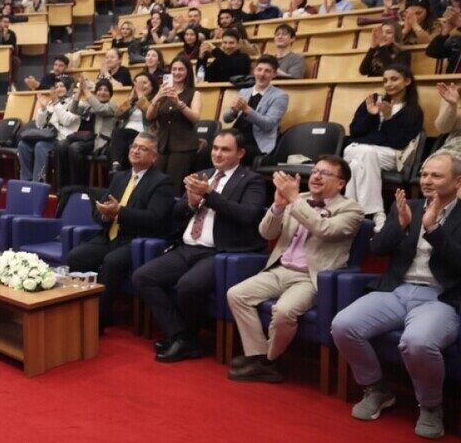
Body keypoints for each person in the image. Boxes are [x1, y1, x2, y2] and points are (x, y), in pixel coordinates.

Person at [332, 152, 461, 440]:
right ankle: (377, 389)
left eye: (436, 176)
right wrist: (400, 224)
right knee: (343, 325)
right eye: (425, 174)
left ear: (458, 181)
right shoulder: (409, 206)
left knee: (417, 342)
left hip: (440, 297)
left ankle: (430, 406)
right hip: (397, 289)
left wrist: (434, 229)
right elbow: (377, 249)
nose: (427, 181)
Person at [132, 130, 267, 362]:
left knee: (188, 286)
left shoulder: (251, 180)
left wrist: (210, 195)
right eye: (215, 148)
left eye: (225, 149)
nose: (217, 154)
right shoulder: (202, 174)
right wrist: (191, 204)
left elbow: (247, 215)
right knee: (143, 277)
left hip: (220, 252)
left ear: (241, 153)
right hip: (187, 247)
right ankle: (181, 335)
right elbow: (175, 213)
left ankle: (186, 338)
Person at [226, 157, 364, 382]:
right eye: (316, 171)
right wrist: (279, 207)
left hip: (310, 277)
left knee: (283, 311)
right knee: (237, 294)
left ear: (341, 183)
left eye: (325, 173)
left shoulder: (352, 210)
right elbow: (267, 233)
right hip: (280, 268)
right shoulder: (298, 199)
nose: (317, 176)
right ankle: (259, 356)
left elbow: (325, 230)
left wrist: (292, 200)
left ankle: (269, 361)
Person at [67, 132, 174, 329]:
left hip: (135, 240)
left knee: (112, 261)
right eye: (134, 146)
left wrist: (119, 211)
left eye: (143, 148)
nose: (136, 151)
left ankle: (98, 319)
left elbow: (155, 218)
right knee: (76, 256)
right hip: (109, 235)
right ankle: (75, 309)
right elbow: (101, 207)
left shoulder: (162, 182)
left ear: (154, 157)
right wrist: (105, 215)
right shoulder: (120, 177)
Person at [344, 65, 424, 231]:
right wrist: (371, 115)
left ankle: (349, 212)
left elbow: (398, 142)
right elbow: (355, 132)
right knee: (365, 152)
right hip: (357, 148)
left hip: (391, 155)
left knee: (355, 165)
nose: (388, 83)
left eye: (394, 79)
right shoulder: (374, 99)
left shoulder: (413, 111)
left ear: (407, 81)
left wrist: (388, 118)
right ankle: (377, 213)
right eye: (385, 80)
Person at [221, 56, 289, 166]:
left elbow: (268, 124)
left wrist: (247, 109)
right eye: (259, 69)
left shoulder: (280, 96)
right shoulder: (244, 92)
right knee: (216, 143)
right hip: (237, 135)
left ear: (274, 74)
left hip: (256, 141)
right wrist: (234, 111)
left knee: (230, 146)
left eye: (267, 71)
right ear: (254, 71)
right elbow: (226, 119)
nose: (262, 74)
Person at [147, 57, 202, 194]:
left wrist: (178, 103)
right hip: (162, 145)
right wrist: (157, 97)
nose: (177, 72)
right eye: (174, 69)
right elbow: (149, 116)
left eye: (181, 69)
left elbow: (195, 118)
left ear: (187, 72)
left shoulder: (194, 93)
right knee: (154, 181)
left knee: (173, 184)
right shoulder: (163, 92)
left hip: (183, 146)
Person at [57, 79, 118, 187]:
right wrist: (79, 91)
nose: (102, 92)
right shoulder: (88, 106)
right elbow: (73, 109)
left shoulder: (112, 106)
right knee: (61, 145)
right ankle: (63, 185)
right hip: (81, 138)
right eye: (99, 89)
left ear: (110, 94)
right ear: (96, 92)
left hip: (97, 140)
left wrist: (86, 90)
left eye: (106, 90)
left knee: (74, 148)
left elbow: (99, 109)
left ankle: (77, 186)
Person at [18, 81, 80, 183]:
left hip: (61, 139)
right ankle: (25, 180)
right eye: (56, 87)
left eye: (62, 86)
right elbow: (40, 125)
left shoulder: (75, 103)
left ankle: (38, 182)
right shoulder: (51, 103)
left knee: (40, 146)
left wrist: (56, 103)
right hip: (47, 136)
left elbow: (66, 120)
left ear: (69, 88)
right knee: (23, 144)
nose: (59, 89)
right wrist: (42, 109)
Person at [109, 72, 157, 171]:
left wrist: (140, 94)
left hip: (144, 135)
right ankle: (116, 166)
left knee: (120, 133)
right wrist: (130, 99)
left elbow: (150, 114)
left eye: (144, 83)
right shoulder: (132, 102)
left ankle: (118, 167)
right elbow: (118, 114)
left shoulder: (156, 100)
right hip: (125, 137)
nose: (140, 86)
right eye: (137, 84)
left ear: (152, 85)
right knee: (118, 134)